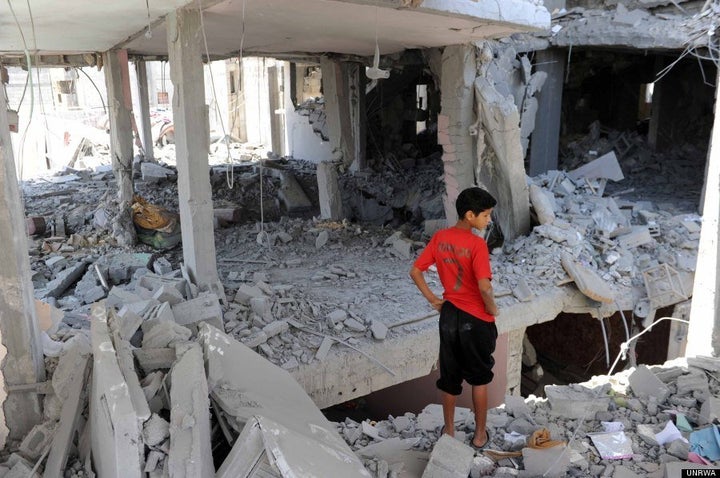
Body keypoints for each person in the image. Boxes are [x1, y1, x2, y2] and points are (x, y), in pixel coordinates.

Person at [409, 187, 499, 450]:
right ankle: (480, 435)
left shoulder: (440, 238)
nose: (489, 220)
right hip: (476, 318)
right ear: (470, 215)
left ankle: (449, 432)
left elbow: (416, 272)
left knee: (449, 377)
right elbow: (484, 287)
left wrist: (434, 300)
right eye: (486, 215)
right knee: (480, 378)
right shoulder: (477, 244)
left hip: (449, 316)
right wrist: (492, 308)